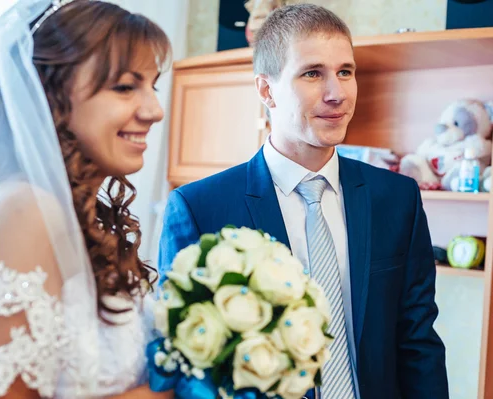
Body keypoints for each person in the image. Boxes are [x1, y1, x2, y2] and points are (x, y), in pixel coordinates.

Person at [159, 4, 448, 399]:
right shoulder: (199, 208)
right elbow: (183, 366)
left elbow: (418, 343)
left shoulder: (397, 198)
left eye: (345, 72)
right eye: (313, 73)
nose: (337, 93)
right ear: (266, 90)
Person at [0, 0, 174, 398]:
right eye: (126, 87)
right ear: (51, 93)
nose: (155, 110)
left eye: (153, 85)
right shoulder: (24, 213)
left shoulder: (78, 213)